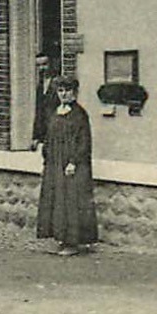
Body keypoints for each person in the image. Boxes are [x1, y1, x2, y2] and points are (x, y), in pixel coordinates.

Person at [36, 75, 99, 255]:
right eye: (61, 91)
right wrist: (46, 154)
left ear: (75, 93)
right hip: (55, 163)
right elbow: (49, 136)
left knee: (71, 200)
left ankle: (73, 243)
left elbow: (83, 142)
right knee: (57, 200)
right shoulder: (55, 112)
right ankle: (60, 238)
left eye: (67, 91)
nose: (64, 95)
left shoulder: (79, 115)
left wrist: (74, 161)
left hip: (71, 165)